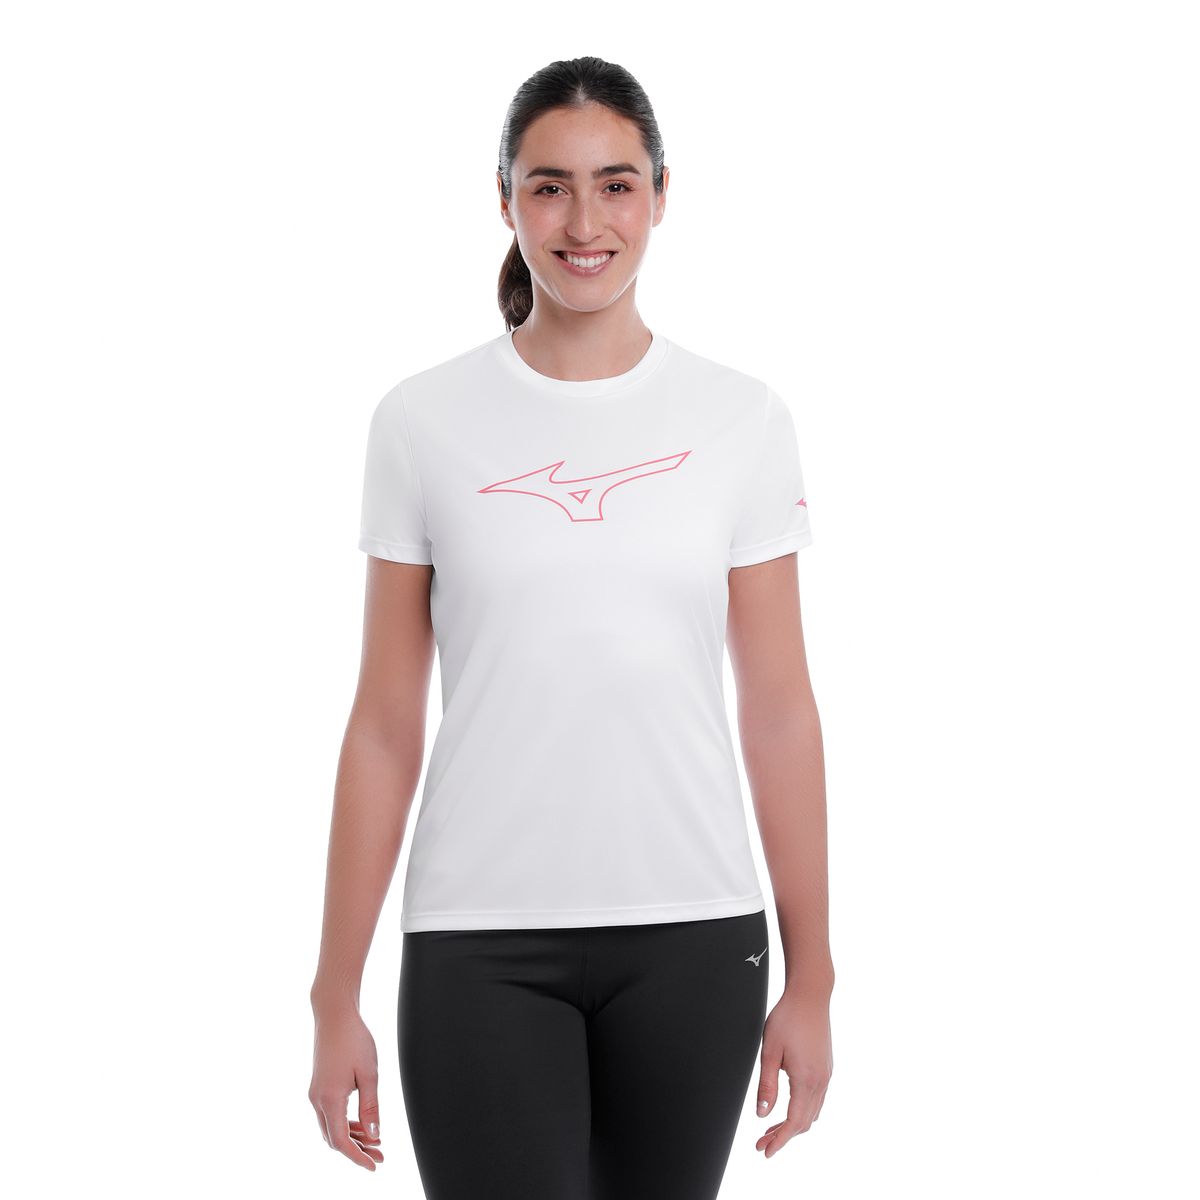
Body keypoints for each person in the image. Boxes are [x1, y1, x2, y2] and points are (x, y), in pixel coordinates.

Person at [308, 55, 834, 1200]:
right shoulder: (421, 422)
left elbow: (781, 712)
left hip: (696, 935)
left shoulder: (741, 420)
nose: (585, 223)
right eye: (549, 187)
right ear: (504, 199)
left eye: (616, 185)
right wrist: (332, 994)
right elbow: (385, 725)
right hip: (476, 942)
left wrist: (815, 978)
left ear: (661, 195)